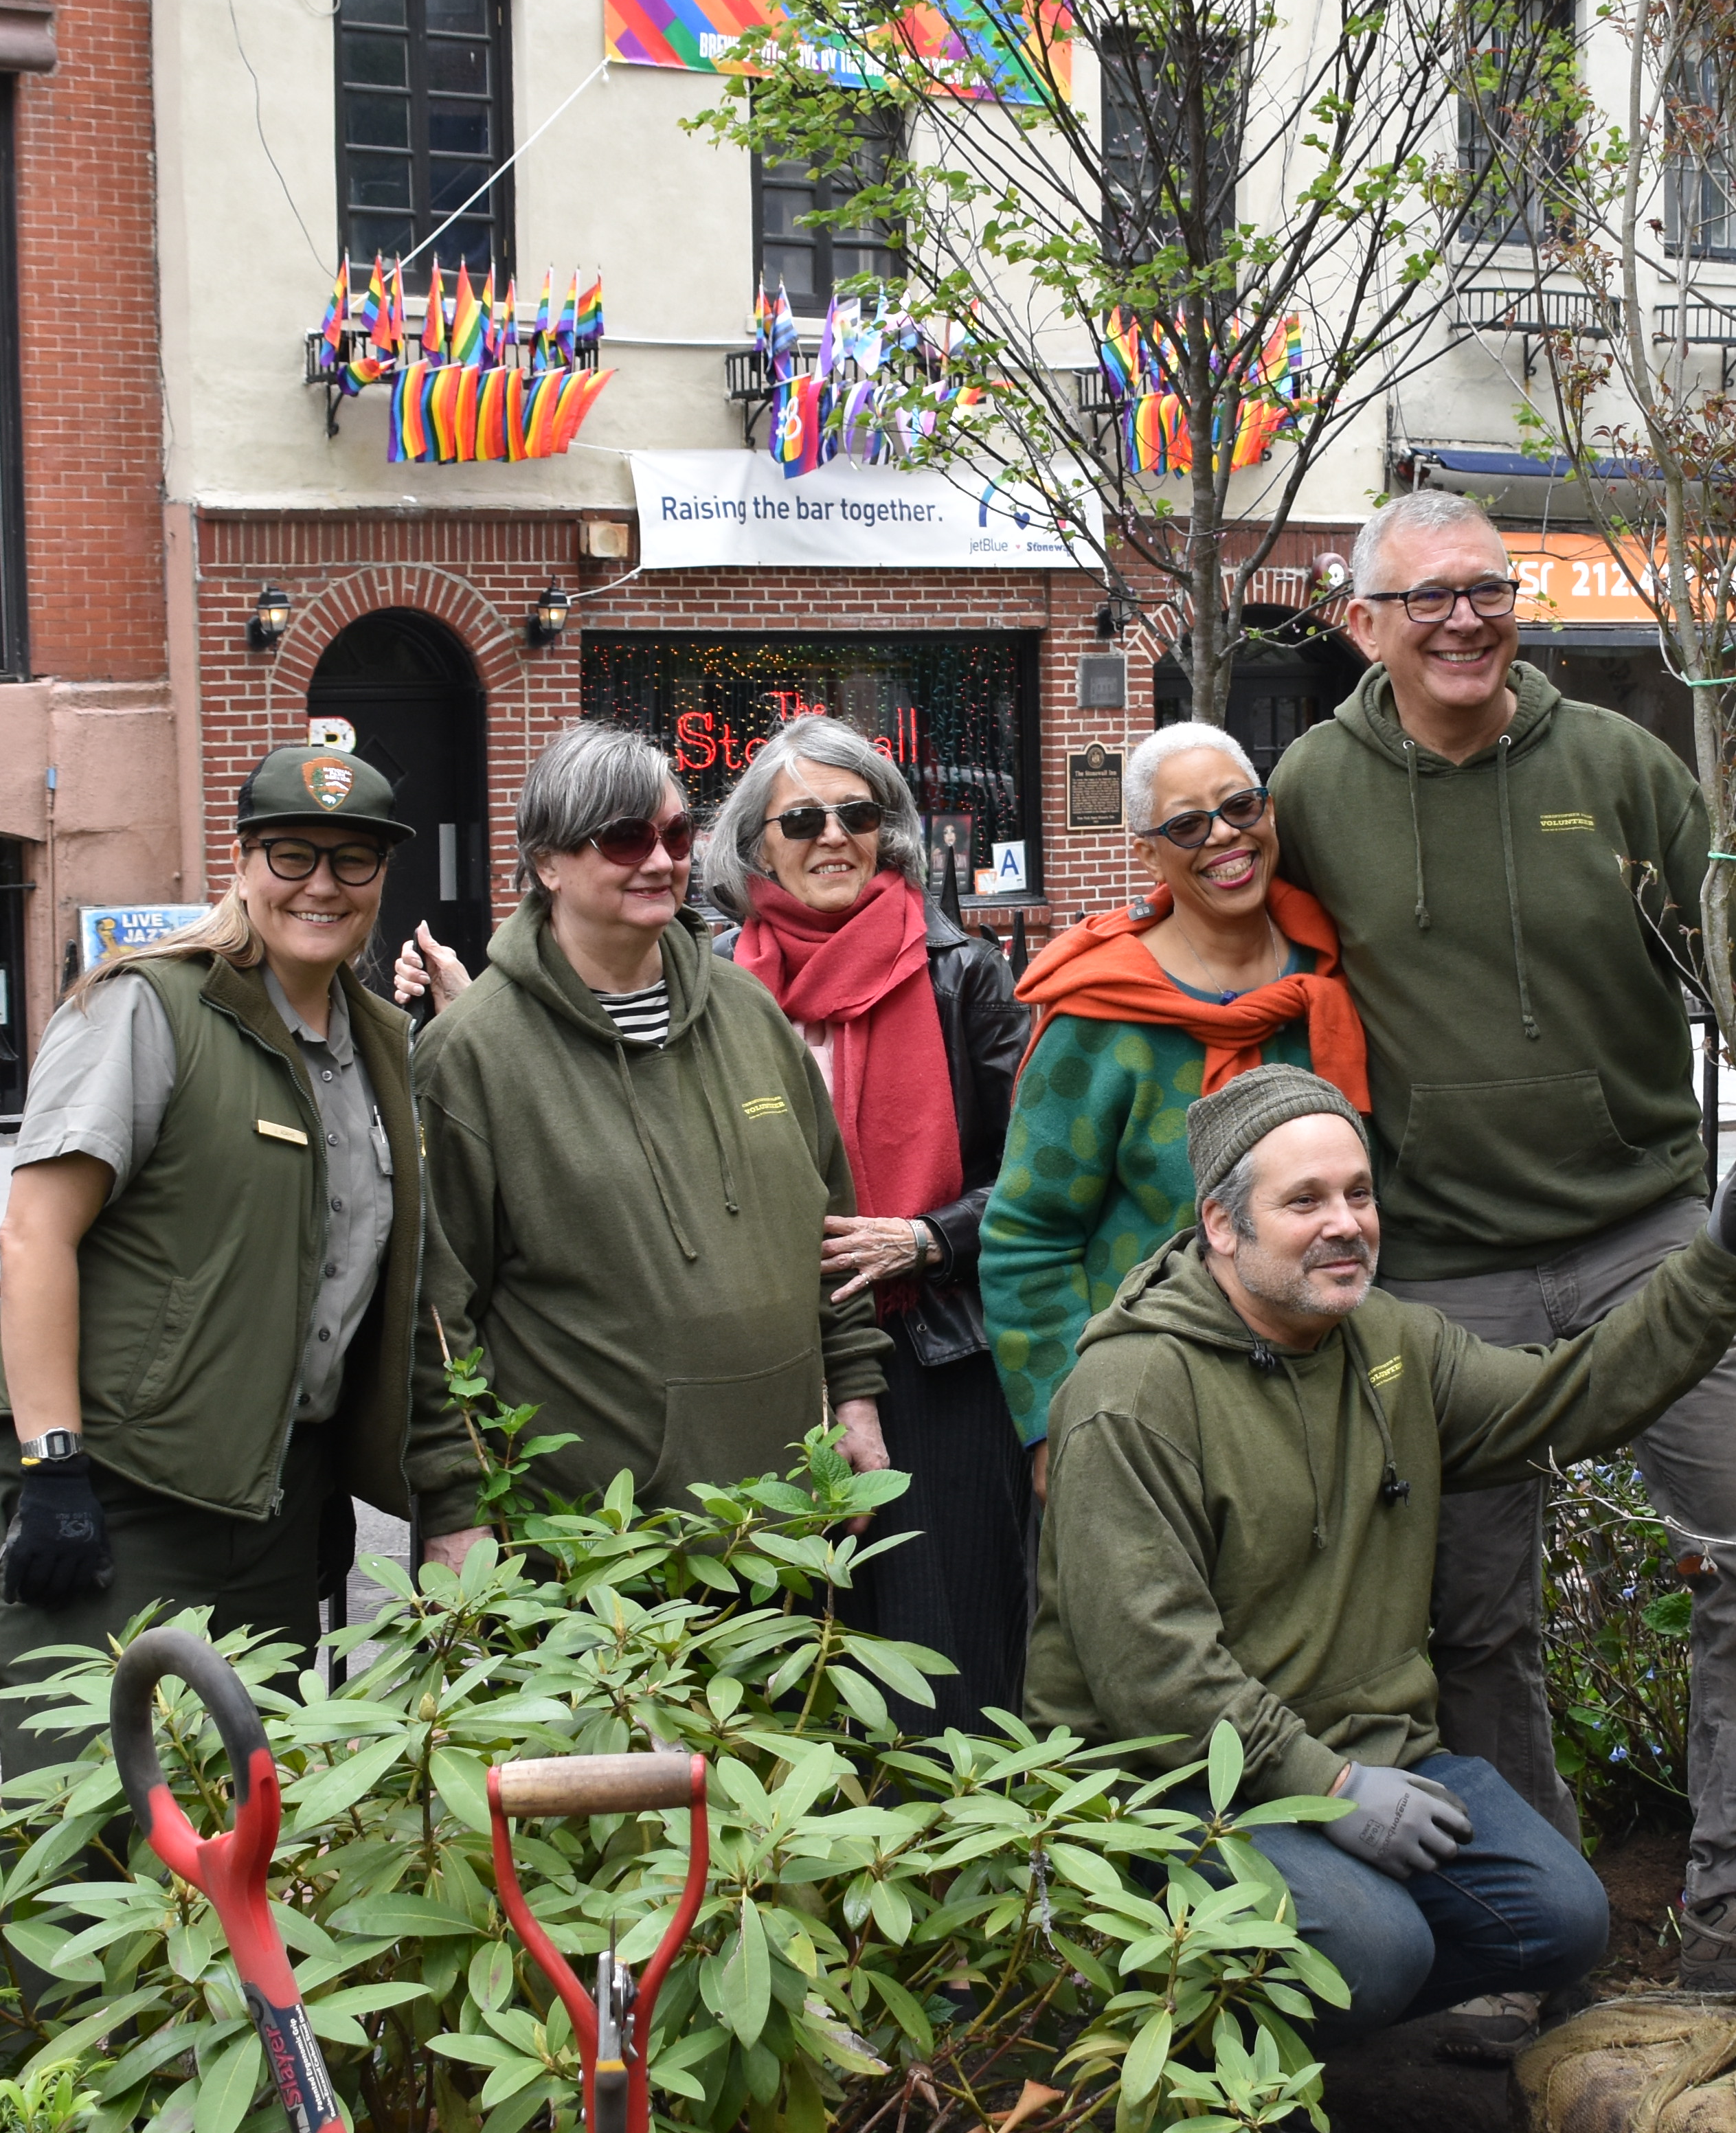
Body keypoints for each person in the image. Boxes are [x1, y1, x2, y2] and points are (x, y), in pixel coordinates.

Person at [1265, 487, 1736, 1994]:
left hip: (1650, 1230)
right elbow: (1244, 961)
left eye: (1488, 590)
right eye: (1428, 596)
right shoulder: (1313, 786)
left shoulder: (1616, 766)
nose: (1463, 619)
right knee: (1467, 1612)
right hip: (1438, 1263)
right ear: (1364, 623)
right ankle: (1537, 1915)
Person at [1029, 1068, 1736, 2044]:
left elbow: (1571, 1395)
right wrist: (1335, 1788)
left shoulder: (1386, 1344)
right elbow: (1151, 1670)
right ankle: (1203, 2059)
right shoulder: (1130, 1391)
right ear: (1222, 1226)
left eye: (1359, 1193)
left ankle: (1334, 2019)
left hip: (1363, 1752)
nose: (1346, 1223)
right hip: (1180, 1784)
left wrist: (1721, 1255)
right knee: (1375, 1947)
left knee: (1563, 1922)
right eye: (1304, 1201)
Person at [0, 746, 429, 1772]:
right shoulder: (151, 1007)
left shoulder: (385, 1043)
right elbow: (36, 1233)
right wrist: (53, 1469)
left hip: (272, 1505)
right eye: (293, 854)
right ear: (242, 860)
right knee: (94, 1840)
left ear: (382, 880)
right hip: (118, 1494)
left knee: (246, 1834)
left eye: (353, 861)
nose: (322, 884)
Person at [402, 723, 888, 1570]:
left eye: (673, 834)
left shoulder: (749, 1013)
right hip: (596, 1549)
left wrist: (856, 1399)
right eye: (625, 838)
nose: (660, 860)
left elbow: (832, 1230)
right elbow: (434, 1315)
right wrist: (454, 1506)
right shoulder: (473, 1055)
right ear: (548, 863)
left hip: (782, 1522)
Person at [701, 714, 1034, 1730]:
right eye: (802, 818)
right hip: (768, 1361)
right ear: (758, 842)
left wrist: (929, 1237)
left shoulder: (963, 973)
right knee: (782, 1659)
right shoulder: (710, 984)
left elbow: (1036, 1174)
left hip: (933, 1356)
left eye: (857, 813)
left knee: (951, 1662)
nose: (832, 836)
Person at [983, 720, 1368, 1456]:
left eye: (1241, 808)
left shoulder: (1335, 979)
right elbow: (1027, 1236)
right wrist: (1063, 1426)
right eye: (1188, 824)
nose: (1224, 837)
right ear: (1147, 851)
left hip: (1327, 1395)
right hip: (1149, 1411)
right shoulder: (1101, 1014)